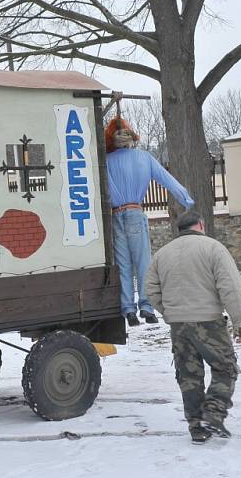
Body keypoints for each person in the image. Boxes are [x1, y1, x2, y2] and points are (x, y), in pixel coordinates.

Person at [145, 211, 241, 444]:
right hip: (208, 321)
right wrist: (239, 320)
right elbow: (229, 286)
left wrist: (169, 311)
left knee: (189, 375)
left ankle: (196, 427)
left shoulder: (162, 254)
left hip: (178, 325)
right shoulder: (213, 248)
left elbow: (150, 289)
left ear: (179, 229)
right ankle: (213, 413)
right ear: (201, 225)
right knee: (226, 367)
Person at [105, 117, 194, 326]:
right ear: (132, 138)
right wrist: (186, 199)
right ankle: (146, 307)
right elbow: (166, 179)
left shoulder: (107, 161)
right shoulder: (145, 158)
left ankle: (128, 309)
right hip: (135, 212)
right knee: (143, 262)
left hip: (115, 214)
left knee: (124, 265)